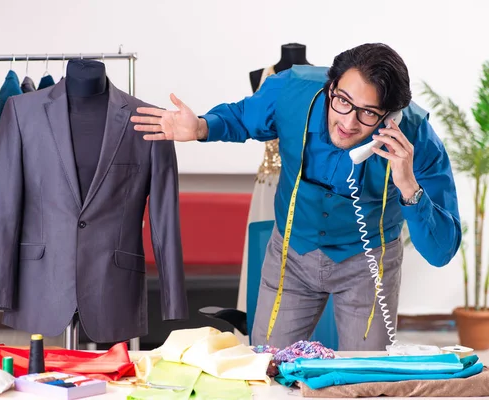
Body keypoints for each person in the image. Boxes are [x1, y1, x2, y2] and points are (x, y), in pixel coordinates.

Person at [131, 43, 461, 351]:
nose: (347, 122)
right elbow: (241, 117)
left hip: (369, 264)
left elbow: (441, 251)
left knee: (366, 377)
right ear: (330, 87)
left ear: (391, 116)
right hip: (292, 254)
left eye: (368, 113)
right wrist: (202, 127)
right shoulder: (292, 91)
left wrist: (408, 187)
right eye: (343, 101)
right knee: (268, 366)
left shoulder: (417, 137)